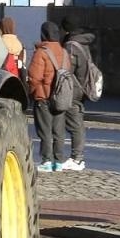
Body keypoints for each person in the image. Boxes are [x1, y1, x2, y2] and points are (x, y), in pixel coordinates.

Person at [28, 20, 71, 172]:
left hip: (44, 97)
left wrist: (34, 92)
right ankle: (58, 162)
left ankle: (47, 161)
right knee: (59, 132)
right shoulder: (64, 52)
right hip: (61, 98)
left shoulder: (41, 52)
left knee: (45, 131)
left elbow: (34, 77)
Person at [59, 17, 95, 171]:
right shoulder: (83, 44)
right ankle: (77, 157)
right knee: (77, 122)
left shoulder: (71, 47)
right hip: (82, 88)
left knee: (75, 124)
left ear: (66, 30)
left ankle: (77, 158)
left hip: (74, 89)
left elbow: (67, 70)